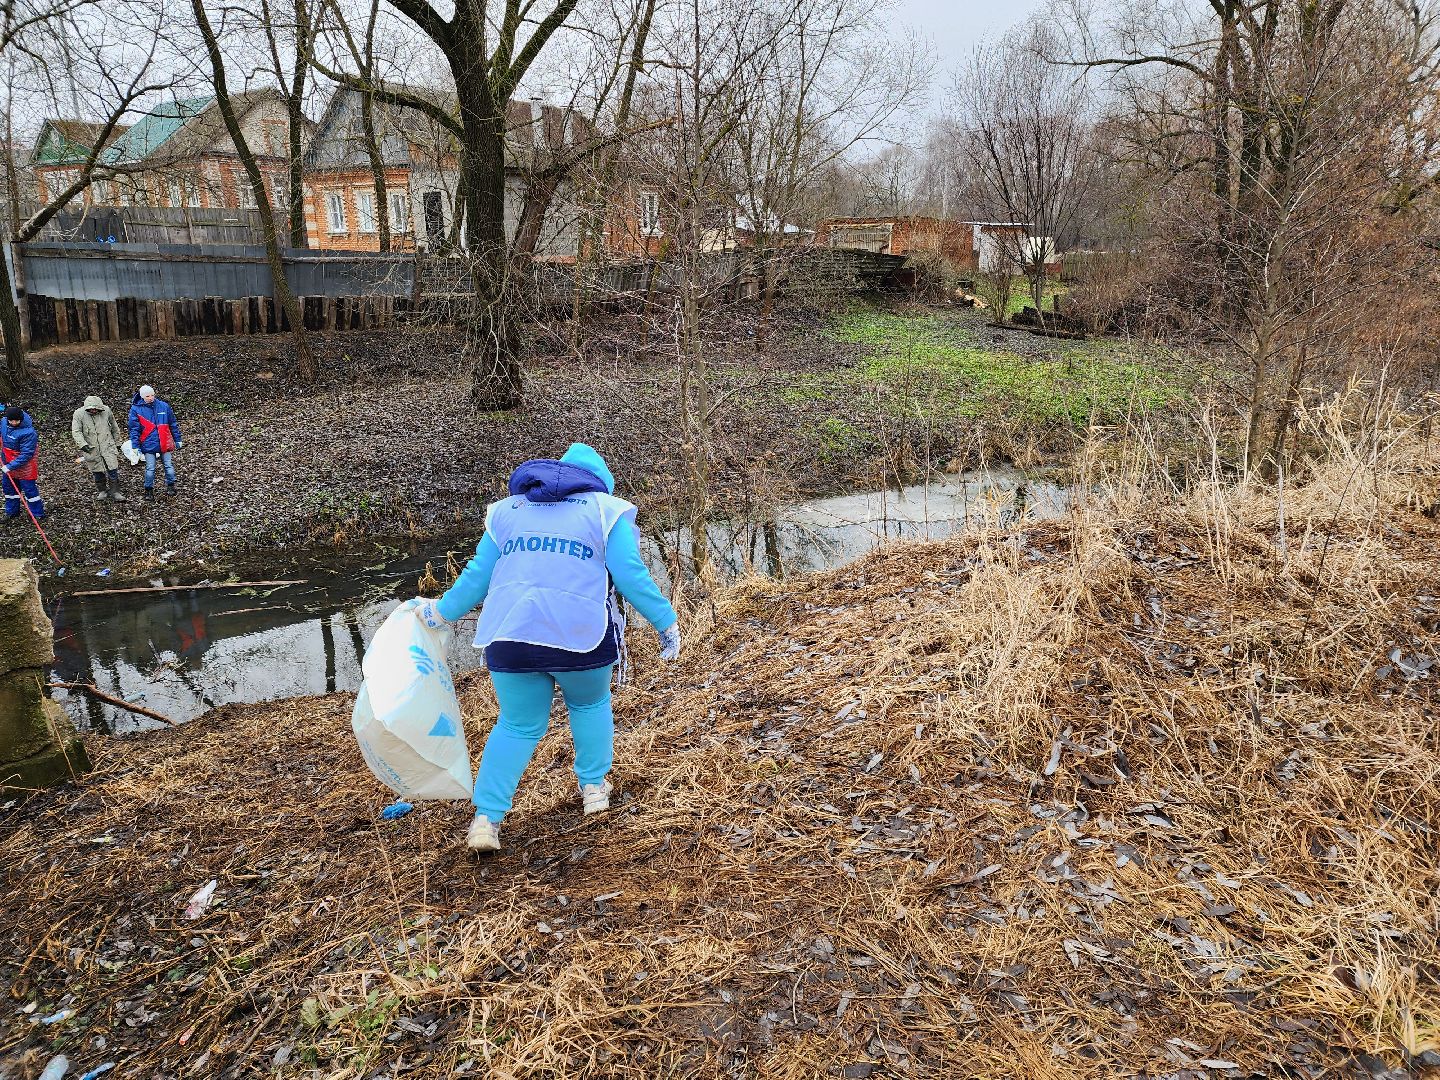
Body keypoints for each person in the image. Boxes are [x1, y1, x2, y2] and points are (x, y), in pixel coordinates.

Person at [417, 443, 681, 853]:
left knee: (518, 725)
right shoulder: (605, 511)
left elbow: (476, 577)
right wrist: (666, 622)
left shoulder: (507, 511)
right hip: (582, 636)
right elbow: (630, 574)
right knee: (589, 705)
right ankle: (594, 789)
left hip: (511, 638)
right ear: (599, 483)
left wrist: (440, 613)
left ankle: (486, 818)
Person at [128, 384, 182, 499]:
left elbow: (173, 424)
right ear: (142, 396)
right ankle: (148, 490)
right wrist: (135, 446)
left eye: (152, 395)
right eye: (147, 396)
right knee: (150, 468)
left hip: (164, 442)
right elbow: (134, 429)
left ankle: (171, 485)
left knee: (168, 466)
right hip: (148, 443)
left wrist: (177, 439)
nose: (151, 397)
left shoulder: (163, 406)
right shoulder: (136, 409)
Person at [71, 395, 127, 503]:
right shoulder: (79, 414)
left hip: (108, 445)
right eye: (91, 409)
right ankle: (102, 490)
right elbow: (76, 431)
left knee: (112, 469)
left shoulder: (107, 411)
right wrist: (83, 444)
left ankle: (115, 491)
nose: (93, 410)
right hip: (92, 448)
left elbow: (115, 428)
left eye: (95, 408)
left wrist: (118, 442)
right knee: (97, 471)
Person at [2, 405, 45, 524]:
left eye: (16, 420)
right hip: (8, 462)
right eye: (11, 420)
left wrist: (9, 466)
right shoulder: (4, 423)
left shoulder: (29, 432)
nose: (14, 423)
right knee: (9, 489)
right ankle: (12, 511)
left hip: (25, 465)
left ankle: (37, 513)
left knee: (29, 490)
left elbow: (26, 454)